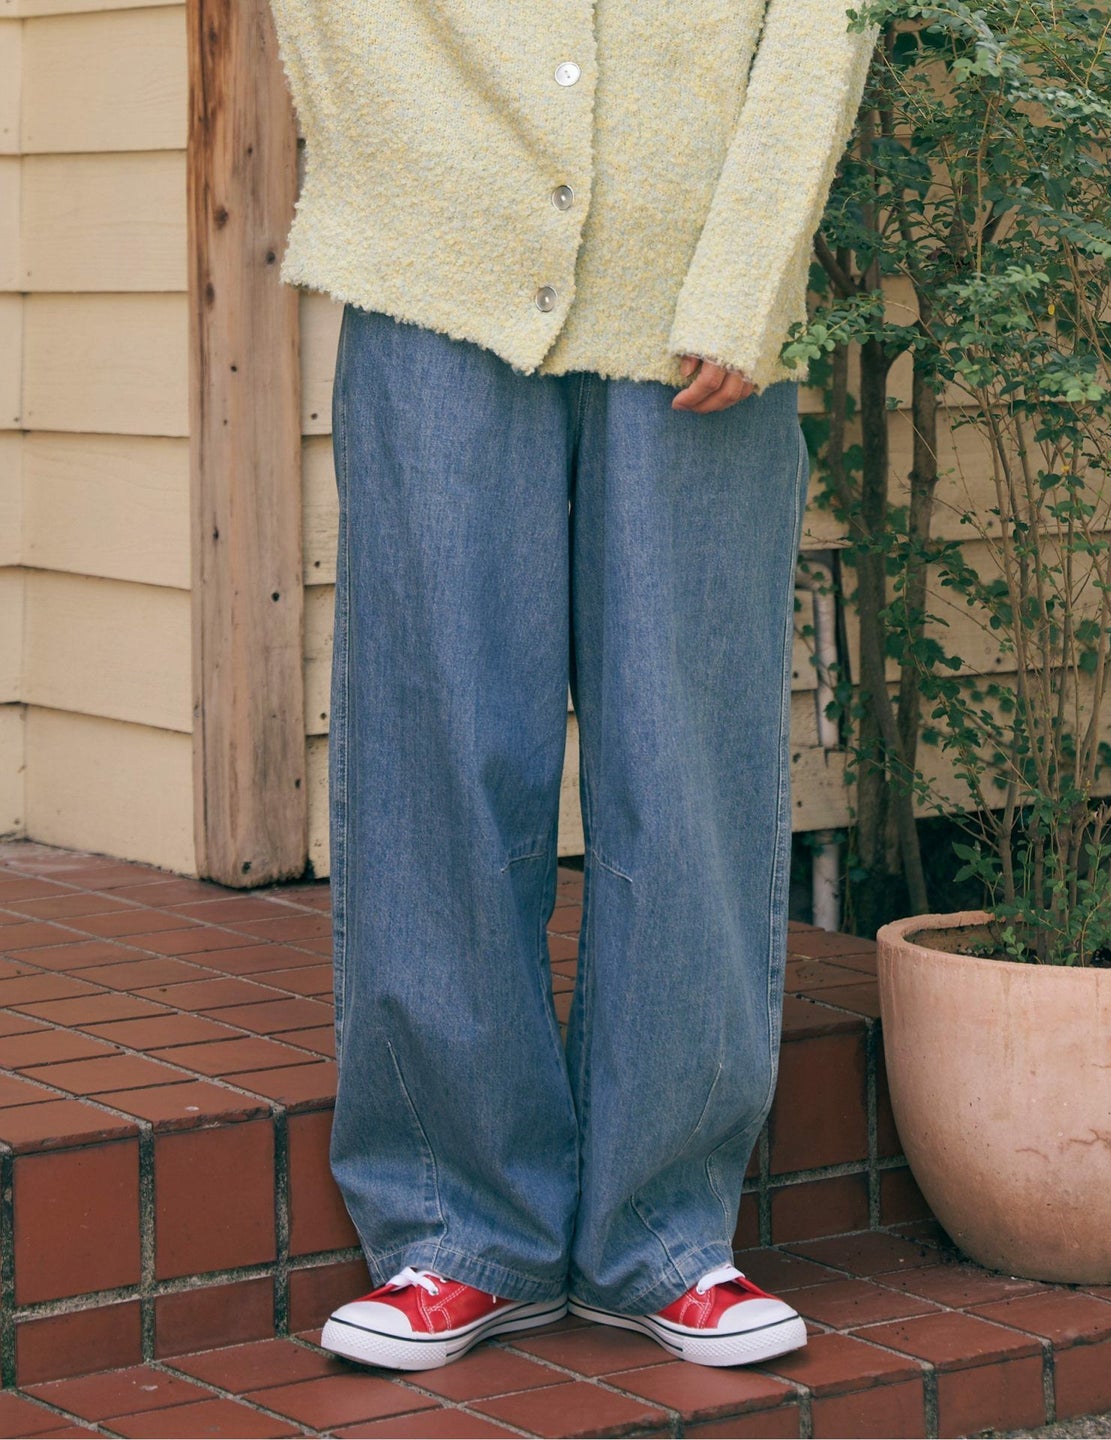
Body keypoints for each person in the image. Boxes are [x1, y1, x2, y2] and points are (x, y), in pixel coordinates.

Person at [266, 0, 877, 1371]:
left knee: (688, 759)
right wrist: (403, 165)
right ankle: (454, 1227)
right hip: (437, 266)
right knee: (438, 752)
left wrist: (753, 267)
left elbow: (821, 21)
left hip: (698, 300)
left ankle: (666, 1231)